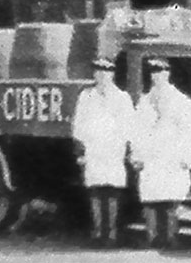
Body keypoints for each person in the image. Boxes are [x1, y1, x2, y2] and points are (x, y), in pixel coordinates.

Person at [130, 58, 191, 249]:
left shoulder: (181, 101)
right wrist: (136, 155)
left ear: (168, 74)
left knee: (170, 199)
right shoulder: (144, 101)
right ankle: (152, 237)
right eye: (154, 73)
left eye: (161, 72)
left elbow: (190, 131)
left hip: (171, 156)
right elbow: (136, 130)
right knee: (151, 199)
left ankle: (170, 237)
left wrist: (187, 157)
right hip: (150, 156)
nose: (157, 76)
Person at [71, 57, 135, 247]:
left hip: (113, 151)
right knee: (96, 192)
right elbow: (78, 124)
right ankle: (98, 232)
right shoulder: (86, 96)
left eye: (106, 72)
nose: (102, 76)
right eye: (98, 72)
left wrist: (127, 150)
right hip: (94, 150)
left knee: (112, 191)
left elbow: (129, 126)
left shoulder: (122, 97)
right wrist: (80, 151)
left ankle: (112, 233)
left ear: (112, 74)